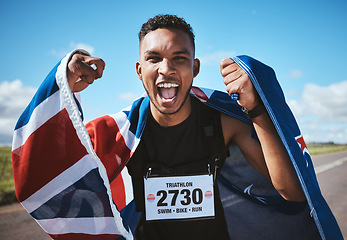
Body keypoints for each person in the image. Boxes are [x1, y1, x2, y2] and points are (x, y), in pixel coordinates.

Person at [12, 14, 342, 240]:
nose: (166, 69)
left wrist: (256, 110)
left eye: (179, 58)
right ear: (139, 70)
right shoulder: (121, 132)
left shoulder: (222, 123)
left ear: (194, 68)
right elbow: (50, 170)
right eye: (154, 59)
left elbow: (293, 192)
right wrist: (63, 86)